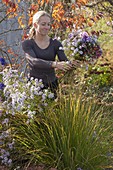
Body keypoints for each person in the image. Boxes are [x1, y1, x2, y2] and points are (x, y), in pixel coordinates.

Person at [22, 10, 74, 98]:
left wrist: (73, 63)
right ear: (35, 25)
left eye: (48, 24)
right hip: (34, 87)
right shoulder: (28, 44)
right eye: (43, 24)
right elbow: (34, 62)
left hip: (52, 86)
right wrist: (54, 64)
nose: (47, 27)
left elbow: (64, 62)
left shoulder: (55, 44)